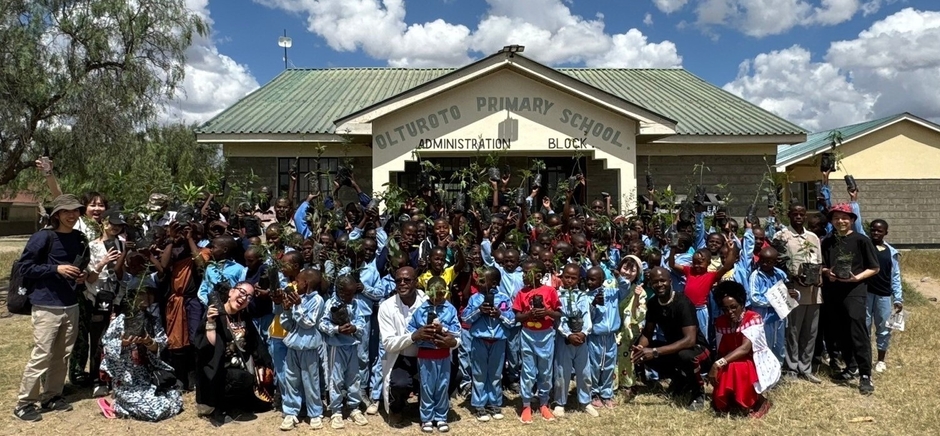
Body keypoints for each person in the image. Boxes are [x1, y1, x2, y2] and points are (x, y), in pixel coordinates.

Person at [14, 194, 90, 422]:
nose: (72, 215)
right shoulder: (43, 237)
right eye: (66, 211)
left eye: (75, 210)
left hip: (71, 303)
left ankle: (52, 396)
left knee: (62, 355)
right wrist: (55, 270)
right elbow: (25, 268)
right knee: (42, 354)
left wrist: (82, 276)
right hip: (46, 304)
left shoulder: (80, 238)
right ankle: (24, 403)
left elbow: (81, 265)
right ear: (56, 214)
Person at [193, 281, 274, 427]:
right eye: (241, 292)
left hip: (239, 365)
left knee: (259, 401)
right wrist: (210, 322)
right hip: (218, 369)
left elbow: (255, 342)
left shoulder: (242, 316)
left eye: (249, 297)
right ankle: (220, 408)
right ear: (231, 292)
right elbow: (208, 346)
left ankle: (237, 403)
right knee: (241, 378)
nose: (244, 298)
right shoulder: (215, 313)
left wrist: (266, 363)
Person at [631, 267, 711, 411]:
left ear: (670, 281)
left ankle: (698, 393)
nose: (659, 284)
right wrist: (641, 349)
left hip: (698, 350)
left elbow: (690, 340)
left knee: (685, 355)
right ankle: (680, 380)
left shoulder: (683, 303)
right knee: (641, 348)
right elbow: (648, 334)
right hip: (673, 347)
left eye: (663, 280)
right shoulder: (653, 303)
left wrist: (655, 351)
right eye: (655, 282)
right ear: (650, 284)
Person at [821, 203, 879, 395]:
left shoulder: (862, 240)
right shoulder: (828, 241)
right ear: (832, 221)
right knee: (840, 331)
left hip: (854, 291)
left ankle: (865, 375)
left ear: (852, 220)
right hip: (833, 291)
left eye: (845, 217)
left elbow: (874, 267)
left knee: (858, 330)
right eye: (836, 218)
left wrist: (857, 277)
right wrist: (827, 272)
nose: (840, 221)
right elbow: (822, 265)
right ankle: (850, 367)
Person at [100, 289, 183, 421]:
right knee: (155, 412)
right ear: (133, 297)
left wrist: (148, 342)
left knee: (175, 401)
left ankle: (129, 405)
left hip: (147, 377)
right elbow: (106, 344)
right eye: (141, 294)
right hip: (127, 379)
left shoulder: (153, 321)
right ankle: (117, 405)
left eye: (149, 293)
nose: (146, 297)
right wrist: (123, 343)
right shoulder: (120, 320)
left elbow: (162, 344)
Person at [708, 281, 779, 418]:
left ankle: (761, 401)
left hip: (754, 361)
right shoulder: (721, 322)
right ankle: (735, 399)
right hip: (729, 360)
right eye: (725, 309)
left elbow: (745, 349)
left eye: (734, 307)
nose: (730, 312)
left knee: (737, 366)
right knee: (721, 400)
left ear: (742, 304)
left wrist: (718, 364)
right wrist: (718, 366)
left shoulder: (753, 318)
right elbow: (721, 350)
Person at [772, 204, 823, 383]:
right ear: (789, 215)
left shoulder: (813, 237)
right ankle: (792, 367)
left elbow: (819, 262)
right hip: (793, 291)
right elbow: (777, 264)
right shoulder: (781, 236)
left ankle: (806, 367)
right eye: (795, 214)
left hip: (814, 291)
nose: (799, 217)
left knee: (810, 332)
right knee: (793, 330)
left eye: (802, 214)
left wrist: (818, 278)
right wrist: (793, 276)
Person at [83, 209, 128, 397]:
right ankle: (97, 379)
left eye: (119, 225)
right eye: (112, 224)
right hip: (98, 298)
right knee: (99, 339)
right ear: (104, 223)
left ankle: (115, 377)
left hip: (119, 298)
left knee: (117, 340)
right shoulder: (92, 246)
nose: (115, 228)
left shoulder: (123, 245)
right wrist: (104, 262)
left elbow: (125, 274)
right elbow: (91, 278)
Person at [408, 277, 460, 433]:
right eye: (433, 294)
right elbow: (410, 331)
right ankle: (427, 418)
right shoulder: (421, 310)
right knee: (426, 387)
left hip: (443, 355)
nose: (436, 298)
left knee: (442, 386)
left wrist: (443, 330)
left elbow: (457, 331)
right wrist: (421, 333)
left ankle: (441, 417)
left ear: (445, 292)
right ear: (427, 292)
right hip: (425, 355)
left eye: (440, 294)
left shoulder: (450, 309)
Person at [462, 267, 514, 422]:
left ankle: (494, 403)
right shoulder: (475, 299)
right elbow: (465, 318)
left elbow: (512, 321)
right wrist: (479, 311)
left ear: (494, 283)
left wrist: (500, 314)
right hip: (480, 341)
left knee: (496, 373)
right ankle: (479, 404)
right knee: (479, 373)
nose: (478, 282)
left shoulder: (504, 299)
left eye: (483, 280)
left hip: (498, 341)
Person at [512, 259, 561, 423]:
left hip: (546, 335)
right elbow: (517, 316)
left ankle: (544, 403)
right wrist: (529, 315)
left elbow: (558, 313)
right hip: (527, 334)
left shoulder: (550, 291)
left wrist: (546, 312)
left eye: (528, 272)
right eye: (523, 272)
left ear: (539, 275)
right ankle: (526, 404)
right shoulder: (522, 293)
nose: (524, 275)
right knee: (528, 371)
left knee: (545, 371)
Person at [319, 275, 370, 429]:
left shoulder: (356, 304)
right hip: (336, 346)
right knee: (336, 378)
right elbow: (322, 323)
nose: (350, 297)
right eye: (347, 294)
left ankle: (354, 407)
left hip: (352, 345)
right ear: (339, 291)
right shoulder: (331, 303)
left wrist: (355, 328)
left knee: (354, 376)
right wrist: (337, 329)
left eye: (353, 293)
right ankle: (336, 411)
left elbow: (361, 322)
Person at [279, 269, 326, 431]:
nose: (294, 284)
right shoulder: (297, 298)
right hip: (293, 347)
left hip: (309, 348)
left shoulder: (317, 300)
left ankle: (315, 413)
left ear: (306, 283)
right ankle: (291, 412)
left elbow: (308, 323)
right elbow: (288, 325)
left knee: (311, 382)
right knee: (291, 380)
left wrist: (298, 306)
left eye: (297, 281)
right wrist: (286, 310)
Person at [553, 264, 596, 418]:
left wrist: (584, 333)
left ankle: (585, 401)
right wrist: (567, 334)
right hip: (565, 339)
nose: (570, 280)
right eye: (567, 277)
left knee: (584, 371)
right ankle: (560, 402)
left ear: (579, 279)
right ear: (561, 277)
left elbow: (586, 316)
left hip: (581, 339)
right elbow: (559, 318)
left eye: (573, 278)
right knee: (562, 372)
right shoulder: (557, 295)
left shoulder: (582, 296)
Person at [866, 219, 903, 373]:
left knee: (884, 328)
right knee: (863, 327)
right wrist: (854, 203)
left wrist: (898, 298)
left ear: (885, 233)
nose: (875, 233)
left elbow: (895, 276)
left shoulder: (891, 252)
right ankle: (864, 359)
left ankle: (881, 360)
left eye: (879, 231)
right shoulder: (865, 246)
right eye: (873, 230)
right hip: (866, 294)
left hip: (884, 296)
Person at [746, 247, 789, 364]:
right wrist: (775, 300)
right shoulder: (756, 276)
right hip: (764, 318)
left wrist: (795, 294)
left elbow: (788, 292)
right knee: (765, 345)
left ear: (775, 262)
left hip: (779, 317)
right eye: (763, 260)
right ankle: (765, 373)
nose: (765, 263)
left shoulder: (780, 274)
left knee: (779, 345)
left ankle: (778, 371)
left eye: (769, 261)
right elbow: (754, 298)